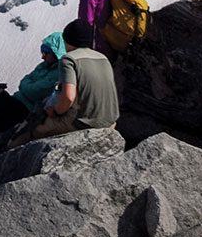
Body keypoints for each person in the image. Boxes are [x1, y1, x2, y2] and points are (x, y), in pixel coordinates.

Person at [8, 19, 119, 148]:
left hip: (84, 123)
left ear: (67, 40)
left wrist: (56, 112)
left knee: (29, 130)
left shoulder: (69, 59)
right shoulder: (102, 58)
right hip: (110, 122)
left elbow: (68, 97)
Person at [12, 31, 66, 113]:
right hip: (20, 100)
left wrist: (27, 84)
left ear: (56, 54)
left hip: (30, 110)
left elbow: (34, 92)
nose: (42, 57)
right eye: (42, 52)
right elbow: (26, 80)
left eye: (46, 53)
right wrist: (28, 84)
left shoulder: (58, 73)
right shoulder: (44, 65)